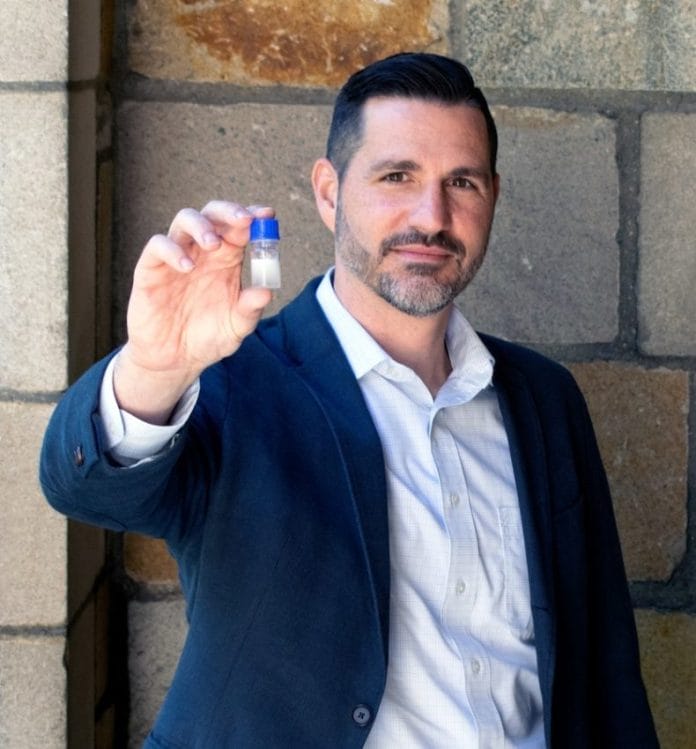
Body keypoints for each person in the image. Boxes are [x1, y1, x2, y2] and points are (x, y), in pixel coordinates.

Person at [40, 52, 658, 748]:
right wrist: (157, 367)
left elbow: (607, 671)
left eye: (461, 182)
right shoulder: (235, 379)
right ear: (329, 193)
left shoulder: (544, 400)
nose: (432, 216)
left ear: (492, 196)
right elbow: (83, 487)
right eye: (397, 177)